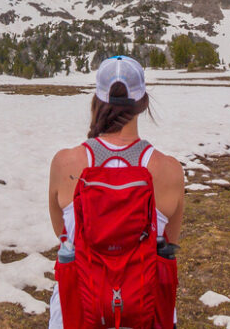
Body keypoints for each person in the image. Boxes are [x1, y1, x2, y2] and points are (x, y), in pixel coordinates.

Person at [48, 54, 185, 329]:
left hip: (77, 310)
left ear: (97, 100)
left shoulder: (65, 163)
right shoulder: (169, 170)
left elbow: (62, 232)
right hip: (146, 309)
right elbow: (169, 240)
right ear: (143, 102)